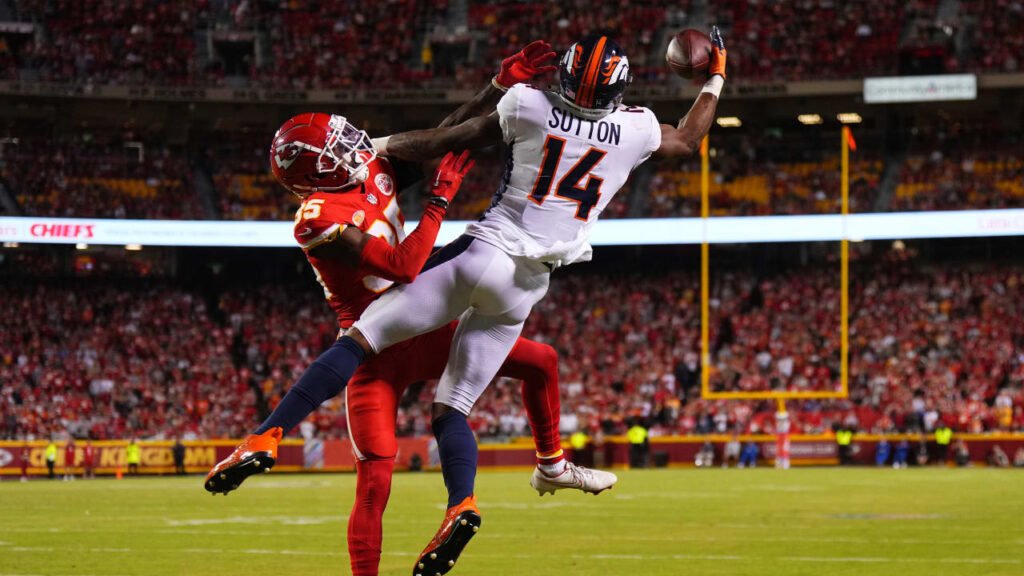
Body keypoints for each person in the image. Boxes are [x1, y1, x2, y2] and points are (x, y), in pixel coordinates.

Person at [205, 42, 612, 576]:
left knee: (381, 476)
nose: (351, 145)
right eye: (335, 147)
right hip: (386, 338)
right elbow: (402, 266)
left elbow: (439, 138)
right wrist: (440, 203)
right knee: (383, 474)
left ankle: (529, 474)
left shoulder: (363, 175)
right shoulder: (318, 217)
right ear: (317, 173)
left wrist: (494, 86)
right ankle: (479, 492)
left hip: (411, 332)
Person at [354, 29, 725, 571]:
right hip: (533, 278)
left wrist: (376, 147)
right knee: (465, 398)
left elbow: (449, 139)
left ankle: (269, 432)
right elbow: (688, 138)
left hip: (483, 250)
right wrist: (716, 76)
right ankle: (500, 485)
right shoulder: (634, 128)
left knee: (362, 333)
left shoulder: (529, 104)